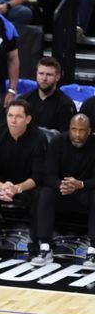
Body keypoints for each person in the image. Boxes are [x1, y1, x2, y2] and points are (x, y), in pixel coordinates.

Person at [0, 99, 47, 249]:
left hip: (27, 185)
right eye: (10, 115)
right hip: (2, 183)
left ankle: (36, 239)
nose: (13, 121)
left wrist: (17, 188)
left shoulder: (39, 138)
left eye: (18, 117)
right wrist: (2, 186)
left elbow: (38, 175)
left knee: (42, 193)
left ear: (28, 119)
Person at [33, 114, 95, 267]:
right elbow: (48, 174)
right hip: (62, 191)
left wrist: (80, 184)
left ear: (89, 131)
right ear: (69, 129)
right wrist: (61, 185)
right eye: (74, 129)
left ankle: (93, 250)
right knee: (45, 192)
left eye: (82, 130)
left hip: (85, 192)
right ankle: (45, 248)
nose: (77, 135)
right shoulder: (58, 141)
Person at [19, 57, 76, 133]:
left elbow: (65, 139)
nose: (44, 78)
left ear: (57, 77)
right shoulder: (24, 100)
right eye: (41, 73)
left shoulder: (66, 105)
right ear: (36, 74)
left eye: (49, 75)